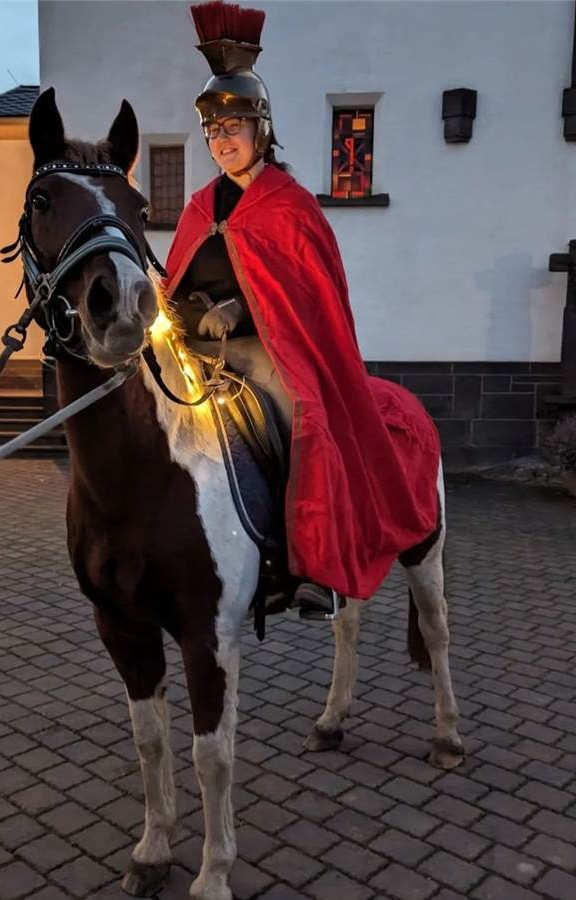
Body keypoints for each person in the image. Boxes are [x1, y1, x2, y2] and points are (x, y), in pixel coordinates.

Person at [162, 1, 441, 617]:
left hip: (267, 350)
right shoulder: (199, 206)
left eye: (232, 128)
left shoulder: (290, 206)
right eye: (212, 131)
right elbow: (176, 277)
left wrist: (235, 313)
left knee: (305, 418)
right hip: (194, 352)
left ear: (260, 130)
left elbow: (306, 299)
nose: (221, 140)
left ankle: (308, 563)